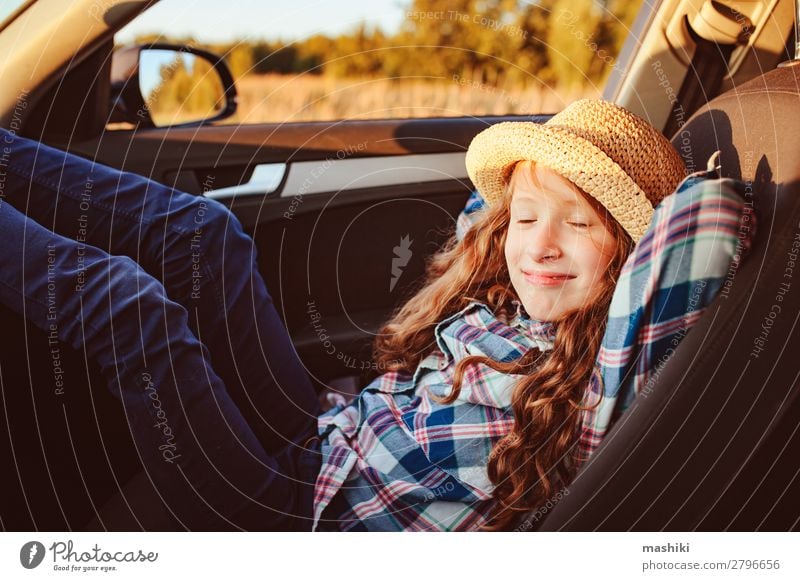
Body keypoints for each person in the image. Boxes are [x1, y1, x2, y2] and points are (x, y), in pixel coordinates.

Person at [0, 99, 753, 532]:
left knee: (133, 310)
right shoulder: (508, 301)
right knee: (209, 235)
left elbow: (708, 220)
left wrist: (659, 194)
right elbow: (487, 212)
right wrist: (541, 193)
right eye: (525, 219)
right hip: (325, 433)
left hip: (299, 518)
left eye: (581, 224)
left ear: (631, 252)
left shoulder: (597, 378)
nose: (541, 246)